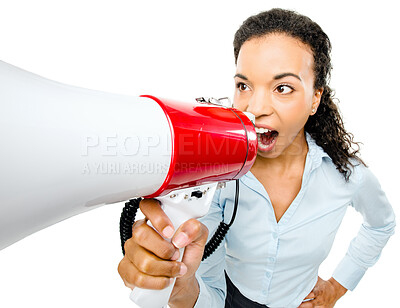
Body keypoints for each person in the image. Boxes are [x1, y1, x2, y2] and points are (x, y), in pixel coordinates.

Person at [117, 8, 396, 308]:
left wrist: (337, 287)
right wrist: (179, 286)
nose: (255, 107)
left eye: (283, 88)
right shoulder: (219, 175)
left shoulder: (348, 176)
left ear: (315, 98)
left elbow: (381, 225)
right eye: (244, 86)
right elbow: (209, 292)